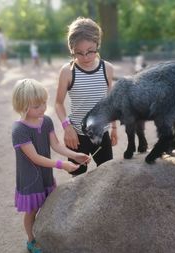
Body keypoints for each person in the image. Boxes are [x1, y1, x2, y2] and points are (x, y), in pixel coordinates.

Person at [12, 78, 90, 253]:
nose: (43, 108)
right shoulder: (19, 130)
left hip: (45, 174)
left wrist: (74, 155)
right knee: (32, 211)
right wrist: (62, 165)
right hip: (30, 178)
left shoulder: (46, 121)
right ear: (23, 105)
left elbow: (55, 145)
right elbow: (35, 158)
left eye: (44, 103)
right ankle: (31, 240)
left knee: (47, 205)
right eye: (36, 105)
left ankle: (45, 234)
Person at [55, 17, 118, 177]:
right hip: (76, 137)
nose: (86, 57)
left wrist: (114, 128)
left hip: (101, 135)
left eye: (90, 50)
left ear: (98, 44)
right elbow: (58, 103)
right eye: (79, 53)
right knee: (77, 176)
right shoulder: (68, 71)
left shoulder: (107, 69)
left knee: (106, 174)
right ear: (72, 50)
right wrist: (67, 127)